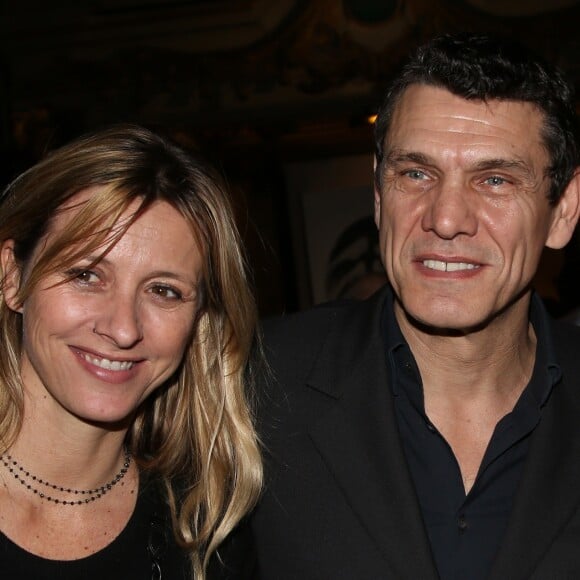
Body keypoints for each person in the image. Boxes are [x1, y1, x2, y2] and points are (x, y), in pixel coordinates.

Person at [237, 33, 580, 579]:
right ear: (378, 197)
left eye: (494, 180)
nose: (445, 219)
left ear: (562, 211)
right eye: (415, 174)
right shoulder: (257, 385)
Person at [0, 124, 262, 579]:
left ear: (199, 319)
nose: (123, 329)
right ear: (11, 278)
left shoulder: (208, 533)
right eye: (86, 275)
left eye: (164, 290)